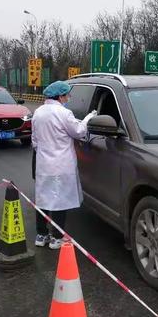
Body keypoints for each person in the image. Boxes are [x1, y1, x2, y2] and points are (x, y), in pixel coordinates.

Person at [32, 80, 96, 249]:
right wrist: (89, 118)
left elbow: (35, 141)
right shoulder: (64, 113)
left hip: (44, 164)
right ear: (60, 96)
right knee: (59, 201)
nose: (69, 97)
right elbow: (79, 131)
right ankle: (57, 238)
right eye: (67, 94)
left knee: (43, 199)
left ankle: (41, 235)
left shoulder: (38, 113)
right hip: (61, 164)